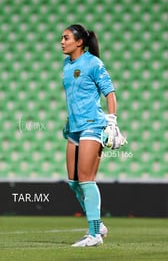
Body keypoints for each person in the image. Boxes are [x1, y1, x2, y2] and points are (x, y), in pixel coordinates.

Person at [60, 24, 126, 247]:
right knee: (73, 182)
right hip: (75, 129)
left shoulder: (93, 63)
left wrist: (112, 121)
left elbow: (110, 92)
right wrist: (68, 122)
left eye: (66, 38)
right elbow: (74, 97)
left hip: (92, 125)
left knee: (86, 179)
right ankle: (98, 224)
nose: (62, 41)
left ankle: (94, 234)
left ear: (79, 42)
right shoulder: (66, 65)